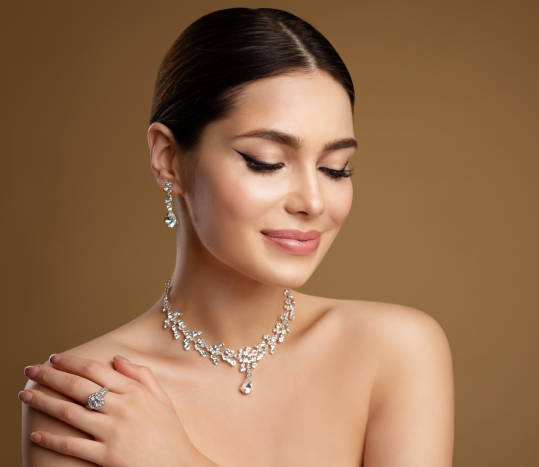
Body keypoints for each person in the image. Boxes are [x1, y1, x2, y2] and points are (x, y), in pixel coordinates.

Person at [20, 7, 454, 466]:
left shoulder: (396, 352)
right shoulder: (88, 397)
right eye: (266, 161)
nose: (313, 201)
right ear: (168, 159)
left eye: (335, 169)